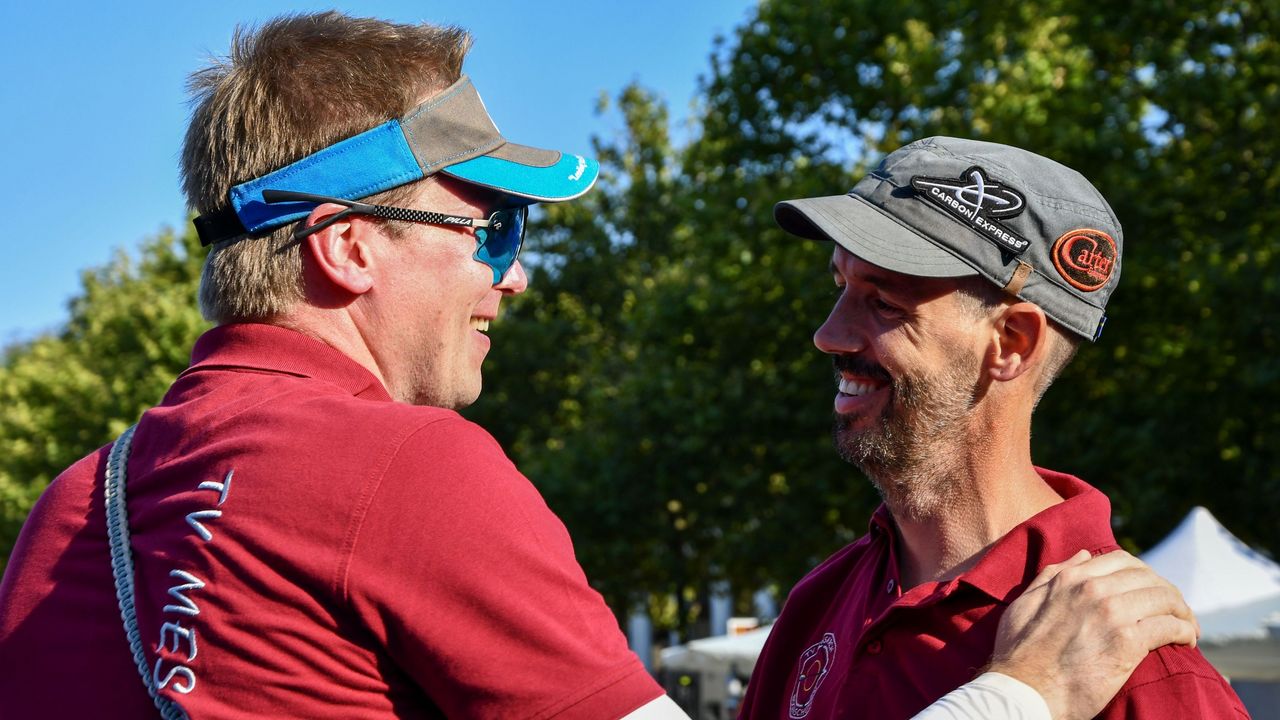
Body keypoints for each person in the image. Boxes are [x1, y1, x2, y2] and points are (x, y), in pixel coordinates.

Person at [0, 14, 1195, 720]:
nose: (512, 279)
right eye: (490, 230)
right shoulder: (404, 471)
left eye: (883, 296)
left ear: (1015, 340)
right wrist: (1022, 696)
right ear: (348, 246)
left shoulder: (75, 505)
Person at [739, 136, 1250, 719]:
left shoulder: (1137, 668)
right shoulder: (820, 604)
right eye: (841, 287)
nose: (827, 335)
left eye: (884, 304)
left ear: (1012, 343)